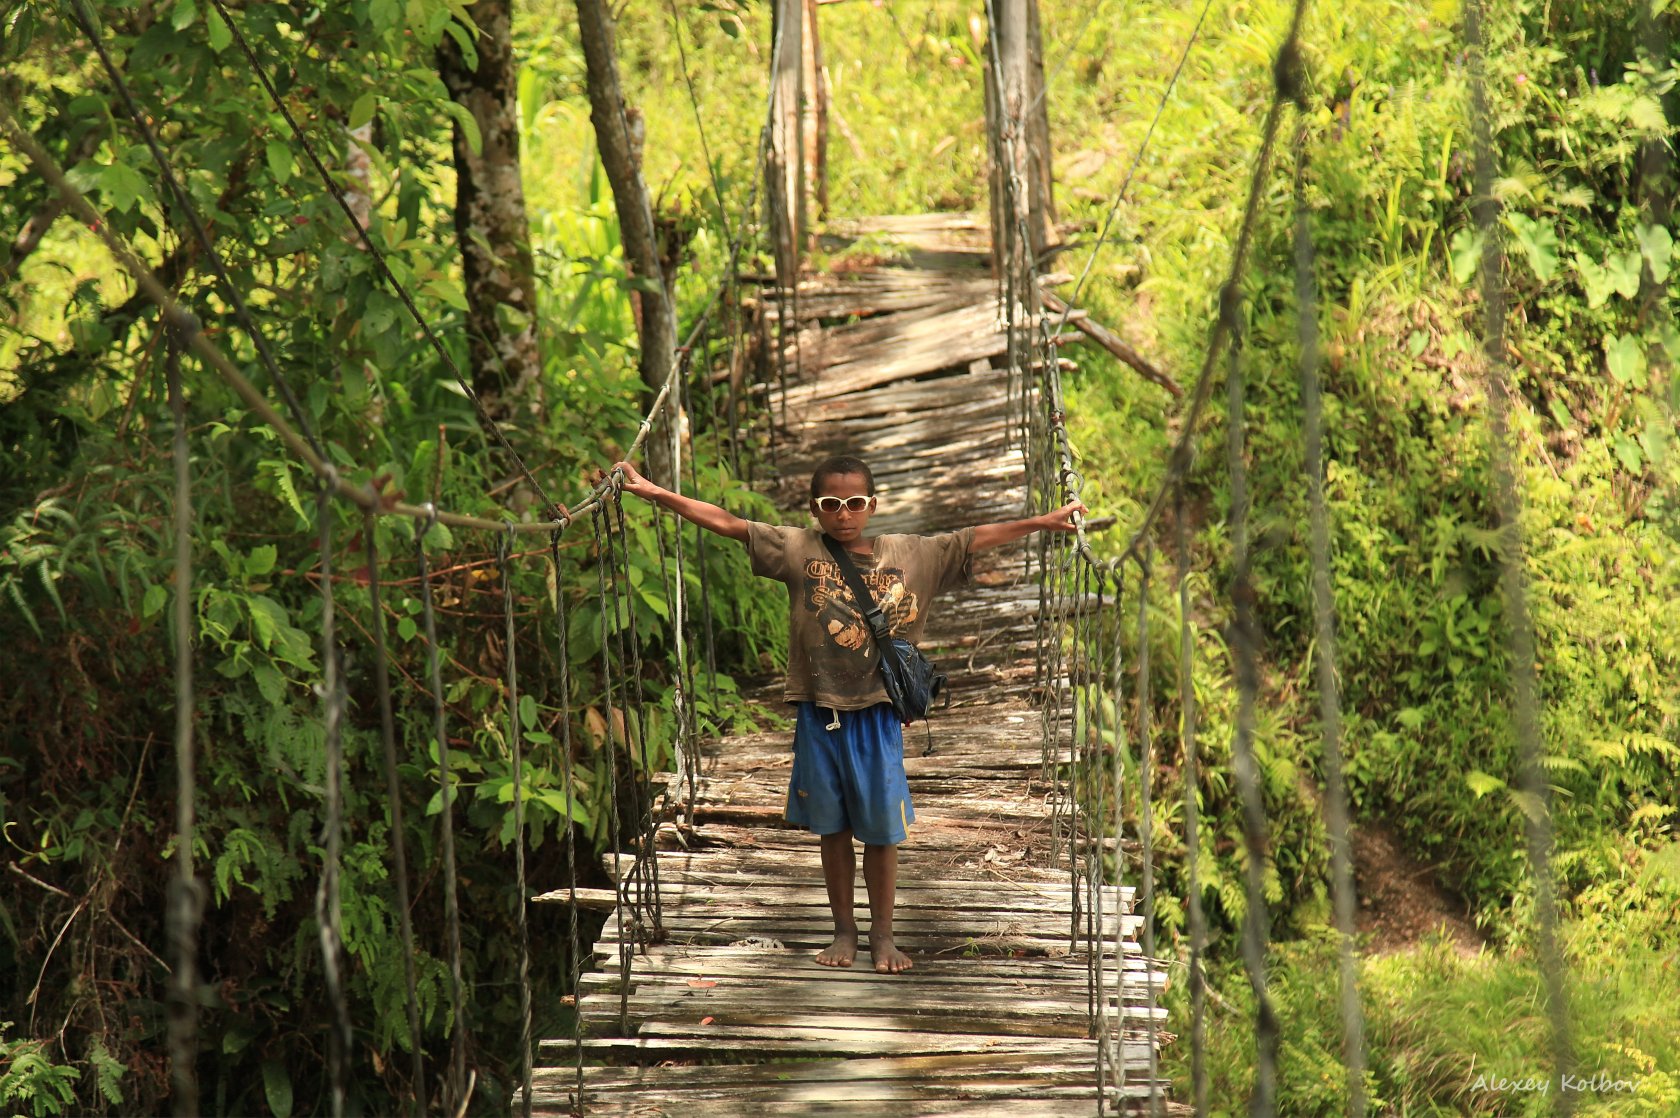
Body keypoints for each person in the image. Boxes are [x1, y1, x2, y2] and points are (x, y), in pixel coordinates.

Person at [604, 454, 1085, 974]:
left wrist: (1042, 522)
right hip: (819, 710)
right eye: (831, 504)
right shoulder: (797, 548)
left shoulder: (912, 553)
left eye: (855, 503)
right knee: (831, 829)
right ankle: (844, 931)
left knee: (880, 831)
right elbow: (727, 523)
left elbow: (972, 537)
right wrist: (657, 494)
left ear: (872, 505)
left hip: (878, 713)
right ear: (815, 508)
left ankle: (883, 935)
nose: (844, 513)